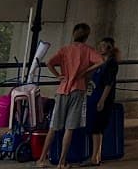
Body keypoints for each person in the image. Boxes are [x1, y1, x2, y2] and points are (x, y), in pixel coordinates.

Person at [47, 24, 105, 168]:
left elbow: (49, 63)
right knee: (70, 128)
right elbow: (100, 61)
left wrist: (58, 76)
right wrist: (86, 70)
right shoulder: (88, 50)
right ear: (87, 36)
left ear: (73, 33)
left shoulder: (65, 50)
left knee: (54, 126)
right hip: (78, 89)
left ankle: (42, 158)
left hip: (62, 89)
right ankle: (62, 161)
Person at [87, 37, 119, 168]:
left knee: (97, 127)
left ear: (109, 48)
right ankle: (96, 155)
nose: (101, 48)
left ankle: (95, 157)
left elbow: (108, 84)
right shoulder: (102, 62)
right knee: (96, 127)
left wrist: (102, 100)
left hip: (103, 97)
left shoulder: (111, 64)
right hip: (95, 95)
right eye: (100, 45)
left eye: (104, 46)